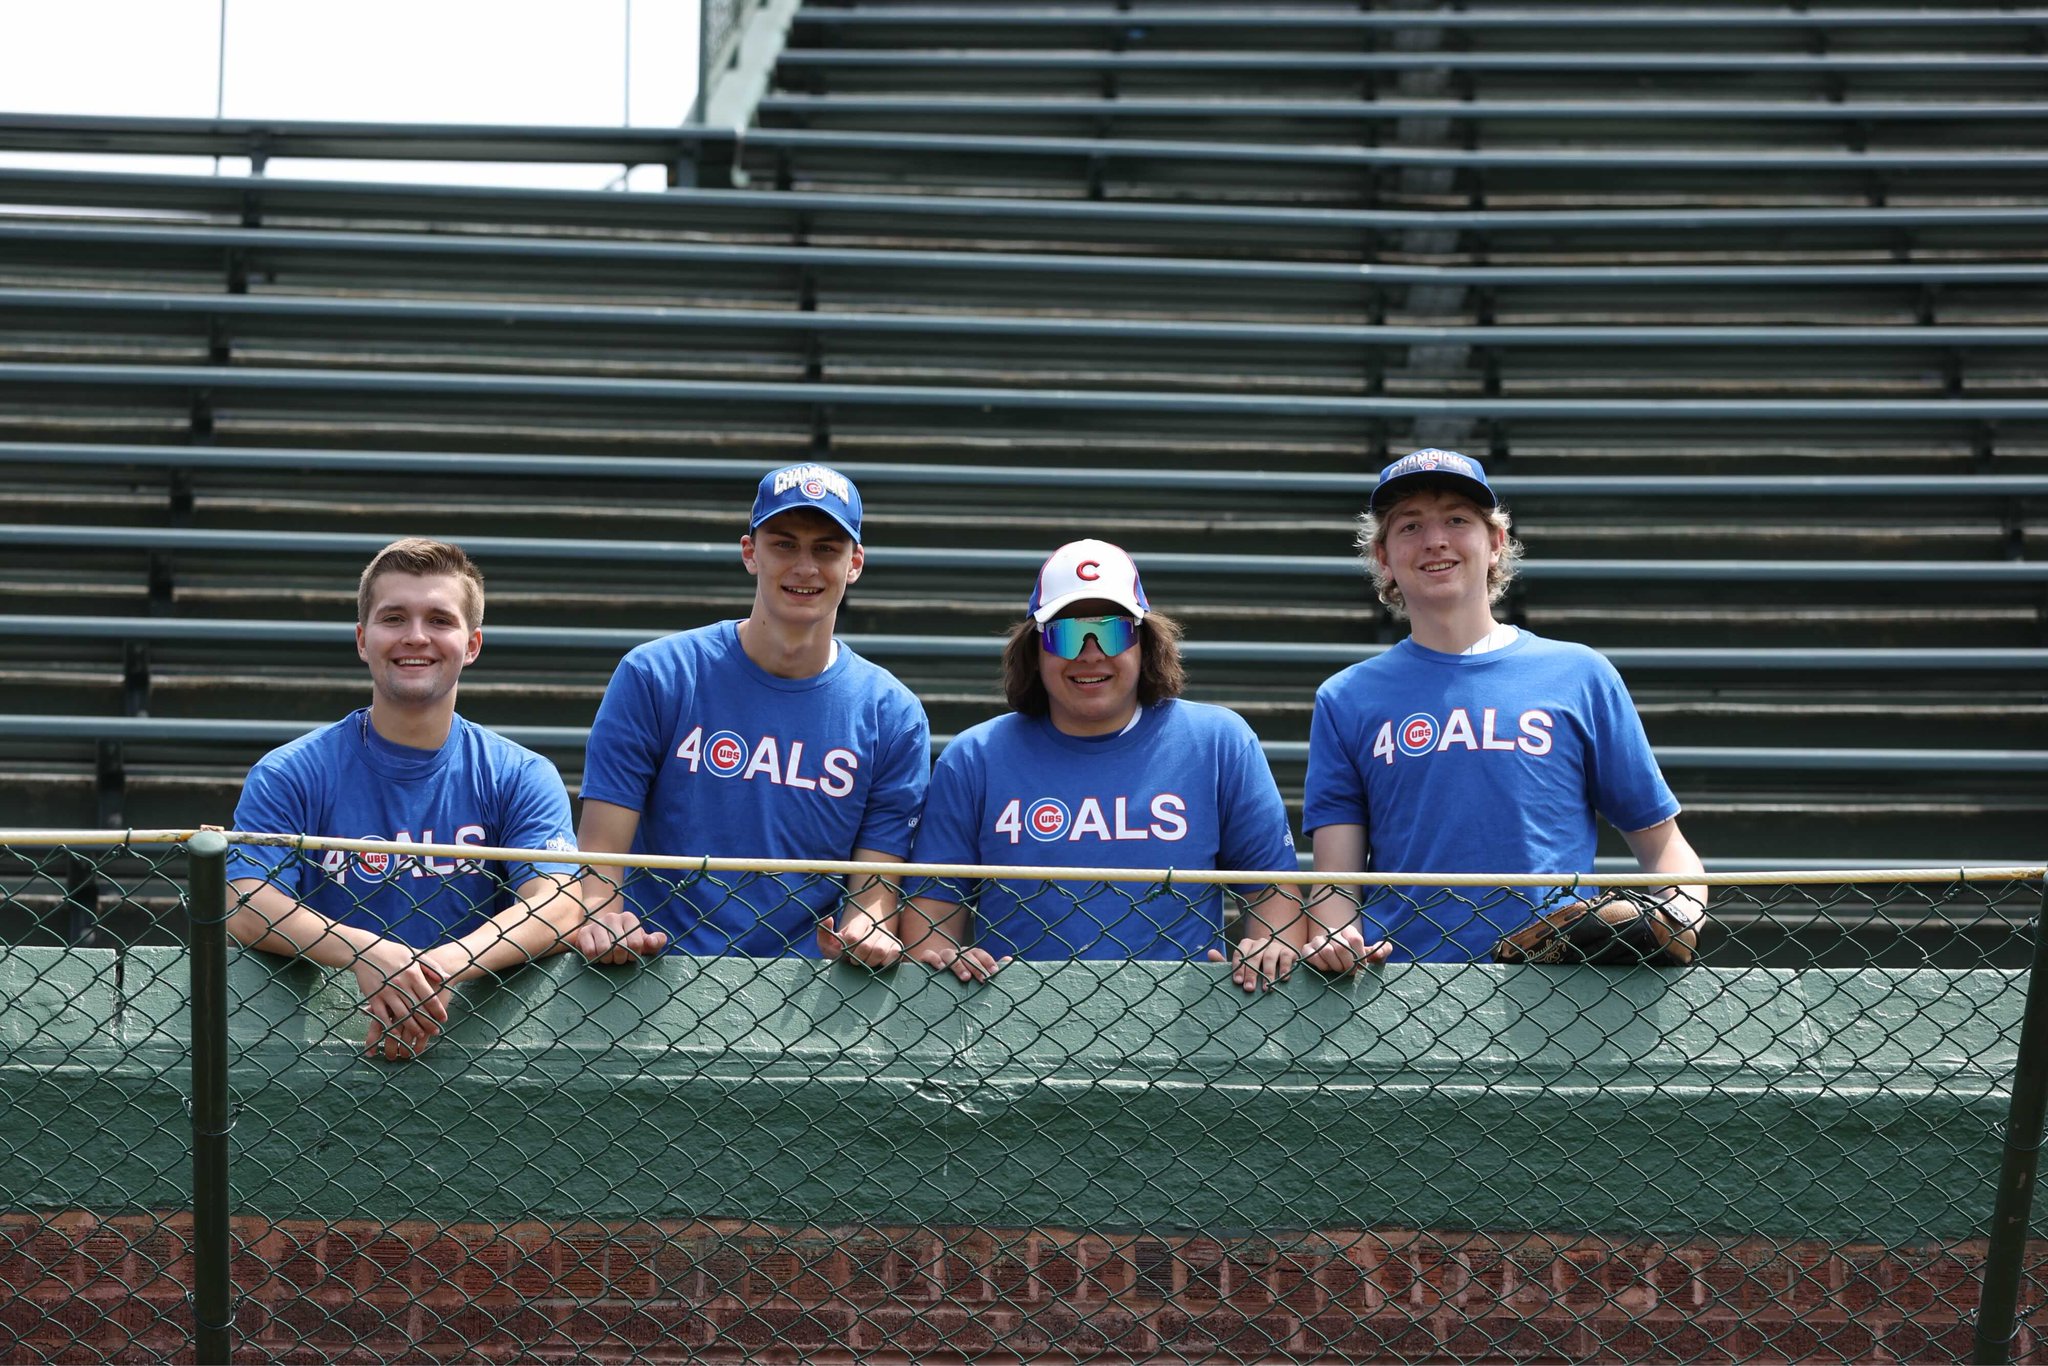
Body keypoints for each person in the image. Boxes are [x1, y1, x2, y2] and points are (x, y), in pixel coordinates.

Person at [1299, 449, 1708, 968]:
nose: (1435, 540)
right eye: (1409, 526)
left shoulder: (1581, 675)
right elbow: (1337, 882)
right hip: (1399, 989)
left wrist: (1680, 916)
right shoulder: (1346, 696)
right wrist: (1337, 939)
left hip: (1556, 990)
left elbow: (1665, 849)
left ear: (1495, 543)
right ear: (1383, 556)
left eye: (1457, 520)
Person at [226, 538, 583, 1060]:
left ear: (473, 643)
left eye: (440, 620)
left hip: (482, 1053)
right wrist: (366, 952)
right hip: (314, 1053)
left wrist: (439, 968)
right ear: (362, 639)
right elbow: (245, 904)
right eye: (394, 618)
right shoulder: (290, 772)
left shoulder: (522, 774)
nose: (416, 637)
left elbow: (558, 903)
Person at [900, 539, 1303, 991]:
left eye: (1112, 631)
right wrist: (948, 959)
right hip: (1012, 1037)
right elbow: (929, 922)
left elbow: (1275, 894)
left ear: (1143, 642)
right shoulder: (975, 757)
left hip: (1187, 1033)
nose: (1090, 653)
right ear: (1035, 649)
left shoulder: (1218, 742)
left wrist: (1266, 947)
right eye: (1066, 634)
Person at [572, 462, 929, 963]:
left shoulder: (893, 715)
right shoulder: (658, 674)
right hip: (653, 973)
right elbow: (599, 867)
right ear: (749, 553)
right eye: (785, 544)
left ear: (855, 563)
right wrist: (605, 919)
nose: (805, 567)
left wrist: (865, 931)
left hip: (804, 994)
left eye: (826, 548)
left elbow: (874, 893)